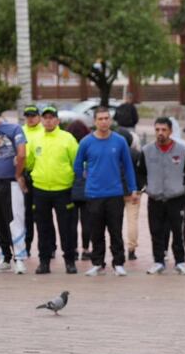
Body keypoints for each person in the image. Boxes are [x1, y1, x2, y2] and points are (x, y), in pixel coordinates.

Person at [74, 106, 138, 277]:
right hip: (94, 194)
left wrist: (133, 189)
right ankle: (97, 263)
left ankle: (118, 263)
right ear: (94, 121)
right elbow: (77, 165)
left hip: (115, 193)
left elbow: (128, 167)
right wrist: (85, 179)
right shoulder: (86, 142)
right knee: (96, 231)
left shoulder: (119, 141)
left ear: (110, 120)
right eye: (100, 119)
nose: (103, 121)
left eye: (106, 118)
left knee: (115, 231)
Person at [27, 105, 80, 275]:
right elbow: (29, 162)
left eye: (51, 117)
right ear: (42, 120)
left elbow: (77, 163)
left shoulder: (68, 138)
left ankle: (70, 261)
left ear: (57, 120)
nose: (48, 121)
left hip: (63, 190)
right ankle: (44, 262)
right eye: (45, 117)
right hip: (41, 190)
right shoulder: (35, 139)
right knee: (43, 228)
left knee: (67, 228)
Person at [141, 116, 185, 275]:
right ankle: (158, 261)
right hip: (155, 197)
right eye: (157, 129)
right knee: (156, 231)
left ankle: (180, 261)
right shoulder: (146, 150)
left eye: (164, 130)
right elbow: (141, 172)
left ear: (170, 131)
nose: (160, 133)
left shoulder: (182, 150)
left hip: (176, 197)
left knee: (178, 231)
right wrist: (145, 187)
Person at [0, 115, 27, 274]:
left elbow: (22, 154)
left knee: (14, 219)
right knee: (0, 220)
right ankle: (6, 258)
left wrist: (17, 174)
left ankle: (20, 258)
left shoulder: (15, 129)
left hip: (11, 182)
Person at [19, 104, 44, 260]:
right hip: (25, 175)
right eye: (28, 116)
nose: (30, 118)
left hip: (41, 175)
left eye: (33, 115)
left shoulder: (44, 131)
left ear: (38, 116)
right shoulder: (20, 131)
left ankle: (49, 246)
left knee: (42, 214)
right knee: (26, 213)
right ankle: (26, 246)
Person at [118, 128, 144, 262]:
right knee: (132, 220)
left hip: (116, 191)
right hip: (134, 191)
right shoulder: (136, 153)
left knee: (116, 222)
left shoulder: (115, 152)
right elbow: (141, 172)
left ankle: (118, 247)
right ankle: (131, 249)